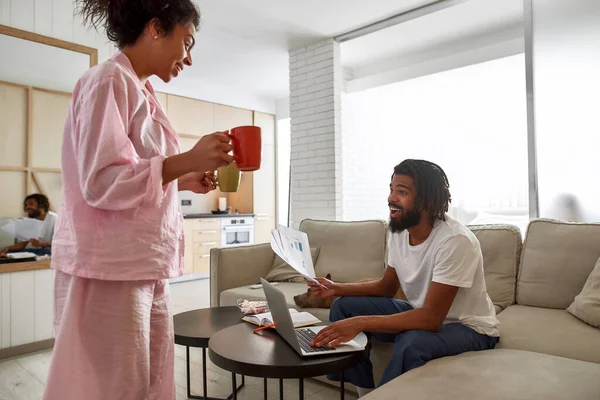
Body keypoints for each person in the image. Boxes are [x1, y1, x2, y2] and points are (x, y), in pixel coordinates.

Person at [42, 1, 233, 399]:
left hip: (141, 264)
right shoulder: (107, 80)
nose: (190, 58)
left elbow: (133, 175)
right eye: (188, 41)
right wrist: (183, 161)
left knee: (149, 381)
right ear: (155, 28)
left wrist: (182, 177)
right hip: (108, 267)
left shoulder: (141, 90)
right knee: (112, 386)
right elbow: (101, 181)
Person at [307, 159, 500, 397]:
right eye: (391, 189)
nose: (391, 198)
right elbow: (386, 287)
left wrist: (360, 322)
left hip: (468, 328)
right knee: (344, 307)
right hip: (420, 312)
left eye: (402, 191)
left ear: (427, 201)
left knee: (413, 341)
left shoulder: (455, 241)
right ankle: (366, 393)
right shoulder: (398, 231)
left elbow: (431, 319)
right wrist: (336, 288)